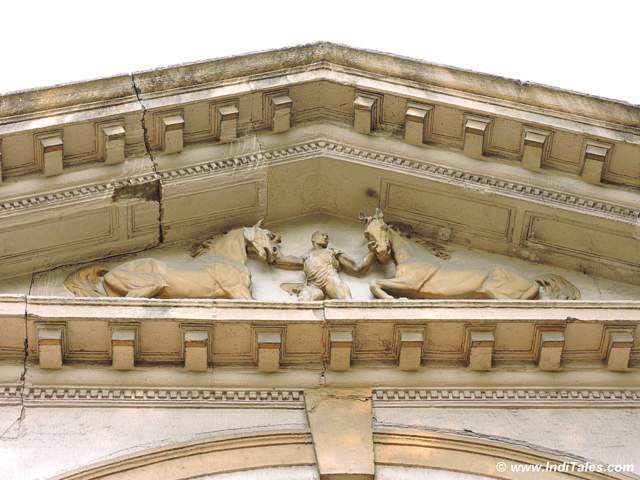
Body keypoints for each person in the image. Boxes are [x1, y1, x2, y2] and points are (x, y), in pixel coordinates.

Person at [273, 230, 375, 300]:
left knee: (347, 303)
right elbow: (280, 260)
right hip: (313, 286)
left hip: (331, 281)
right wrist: (273, 242)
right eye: (322, 235)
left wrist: (372, 252)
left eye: (327, 236)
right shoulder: (306, 257)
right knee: (303, 303)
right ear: (313, 239)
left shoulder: (333, 252)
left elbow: (357, 268)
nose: (325, 237)